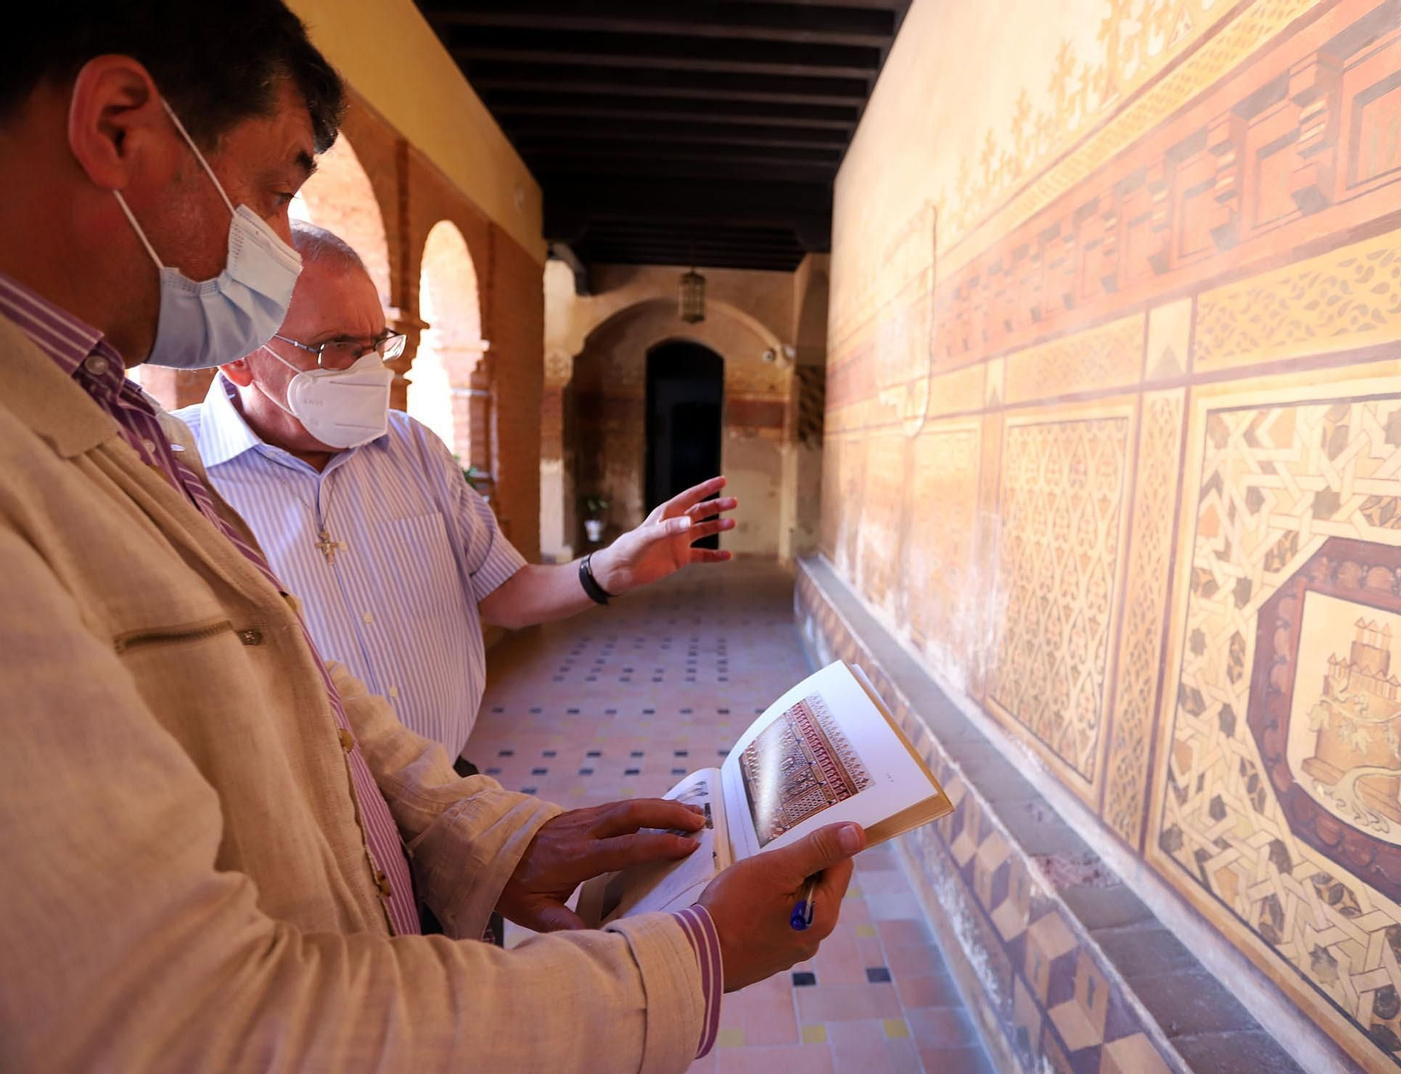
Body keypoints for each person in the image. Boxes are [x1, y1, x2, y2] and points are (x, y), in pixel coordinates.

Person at [0, 4, 859, 1070]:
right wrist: (685, 961)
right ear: (119, 127)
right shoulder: (68, 460)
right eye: (274, 190)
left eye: (381, 341)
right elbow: (196, 1023)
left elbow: (302, 684)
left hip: (402, 871)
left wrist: (497, 839)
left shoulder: (123, 427)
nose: (272, 240)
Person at [175, 222, 738, 765]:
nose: (369, 369)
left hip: (449, 787)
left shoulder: (412, 449)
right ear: (240, 356)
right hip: (315, 828)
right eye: (337, 346)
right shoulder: (173, 476)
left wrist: (607, 569)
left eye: (377, 344)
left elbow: (505, 592)